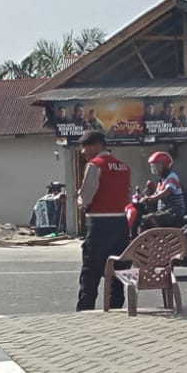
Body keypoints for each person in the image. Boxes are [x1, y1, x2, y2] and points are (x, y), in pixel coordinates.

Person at [71, 130, 133, 311]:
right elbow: (128, 195)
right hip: (120, 224)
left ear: (97, 145)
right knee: (118, 269)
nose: (83, 151)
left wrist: (80, 200)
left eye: (85, 146)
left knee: (91, 271)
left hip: (98, 225)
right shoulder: (124, 167)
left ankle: (85, 310)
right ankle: (116, 309)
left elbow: (87, 196)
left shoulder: (94, 165)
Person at [138, 150, 185, 228]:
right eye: (154, 167)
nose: (155, 169)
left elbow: (167, 192)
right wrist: (147, 195)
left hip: (174, 212)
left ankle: (160, 234)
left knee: (150, 218)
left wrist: (150, 198)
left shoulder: (172, 177)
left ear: (166, 165)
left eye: (157, 166)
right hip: (164, 212)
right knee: (143, 220)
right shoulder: (161, 181)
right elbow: (156, 194)